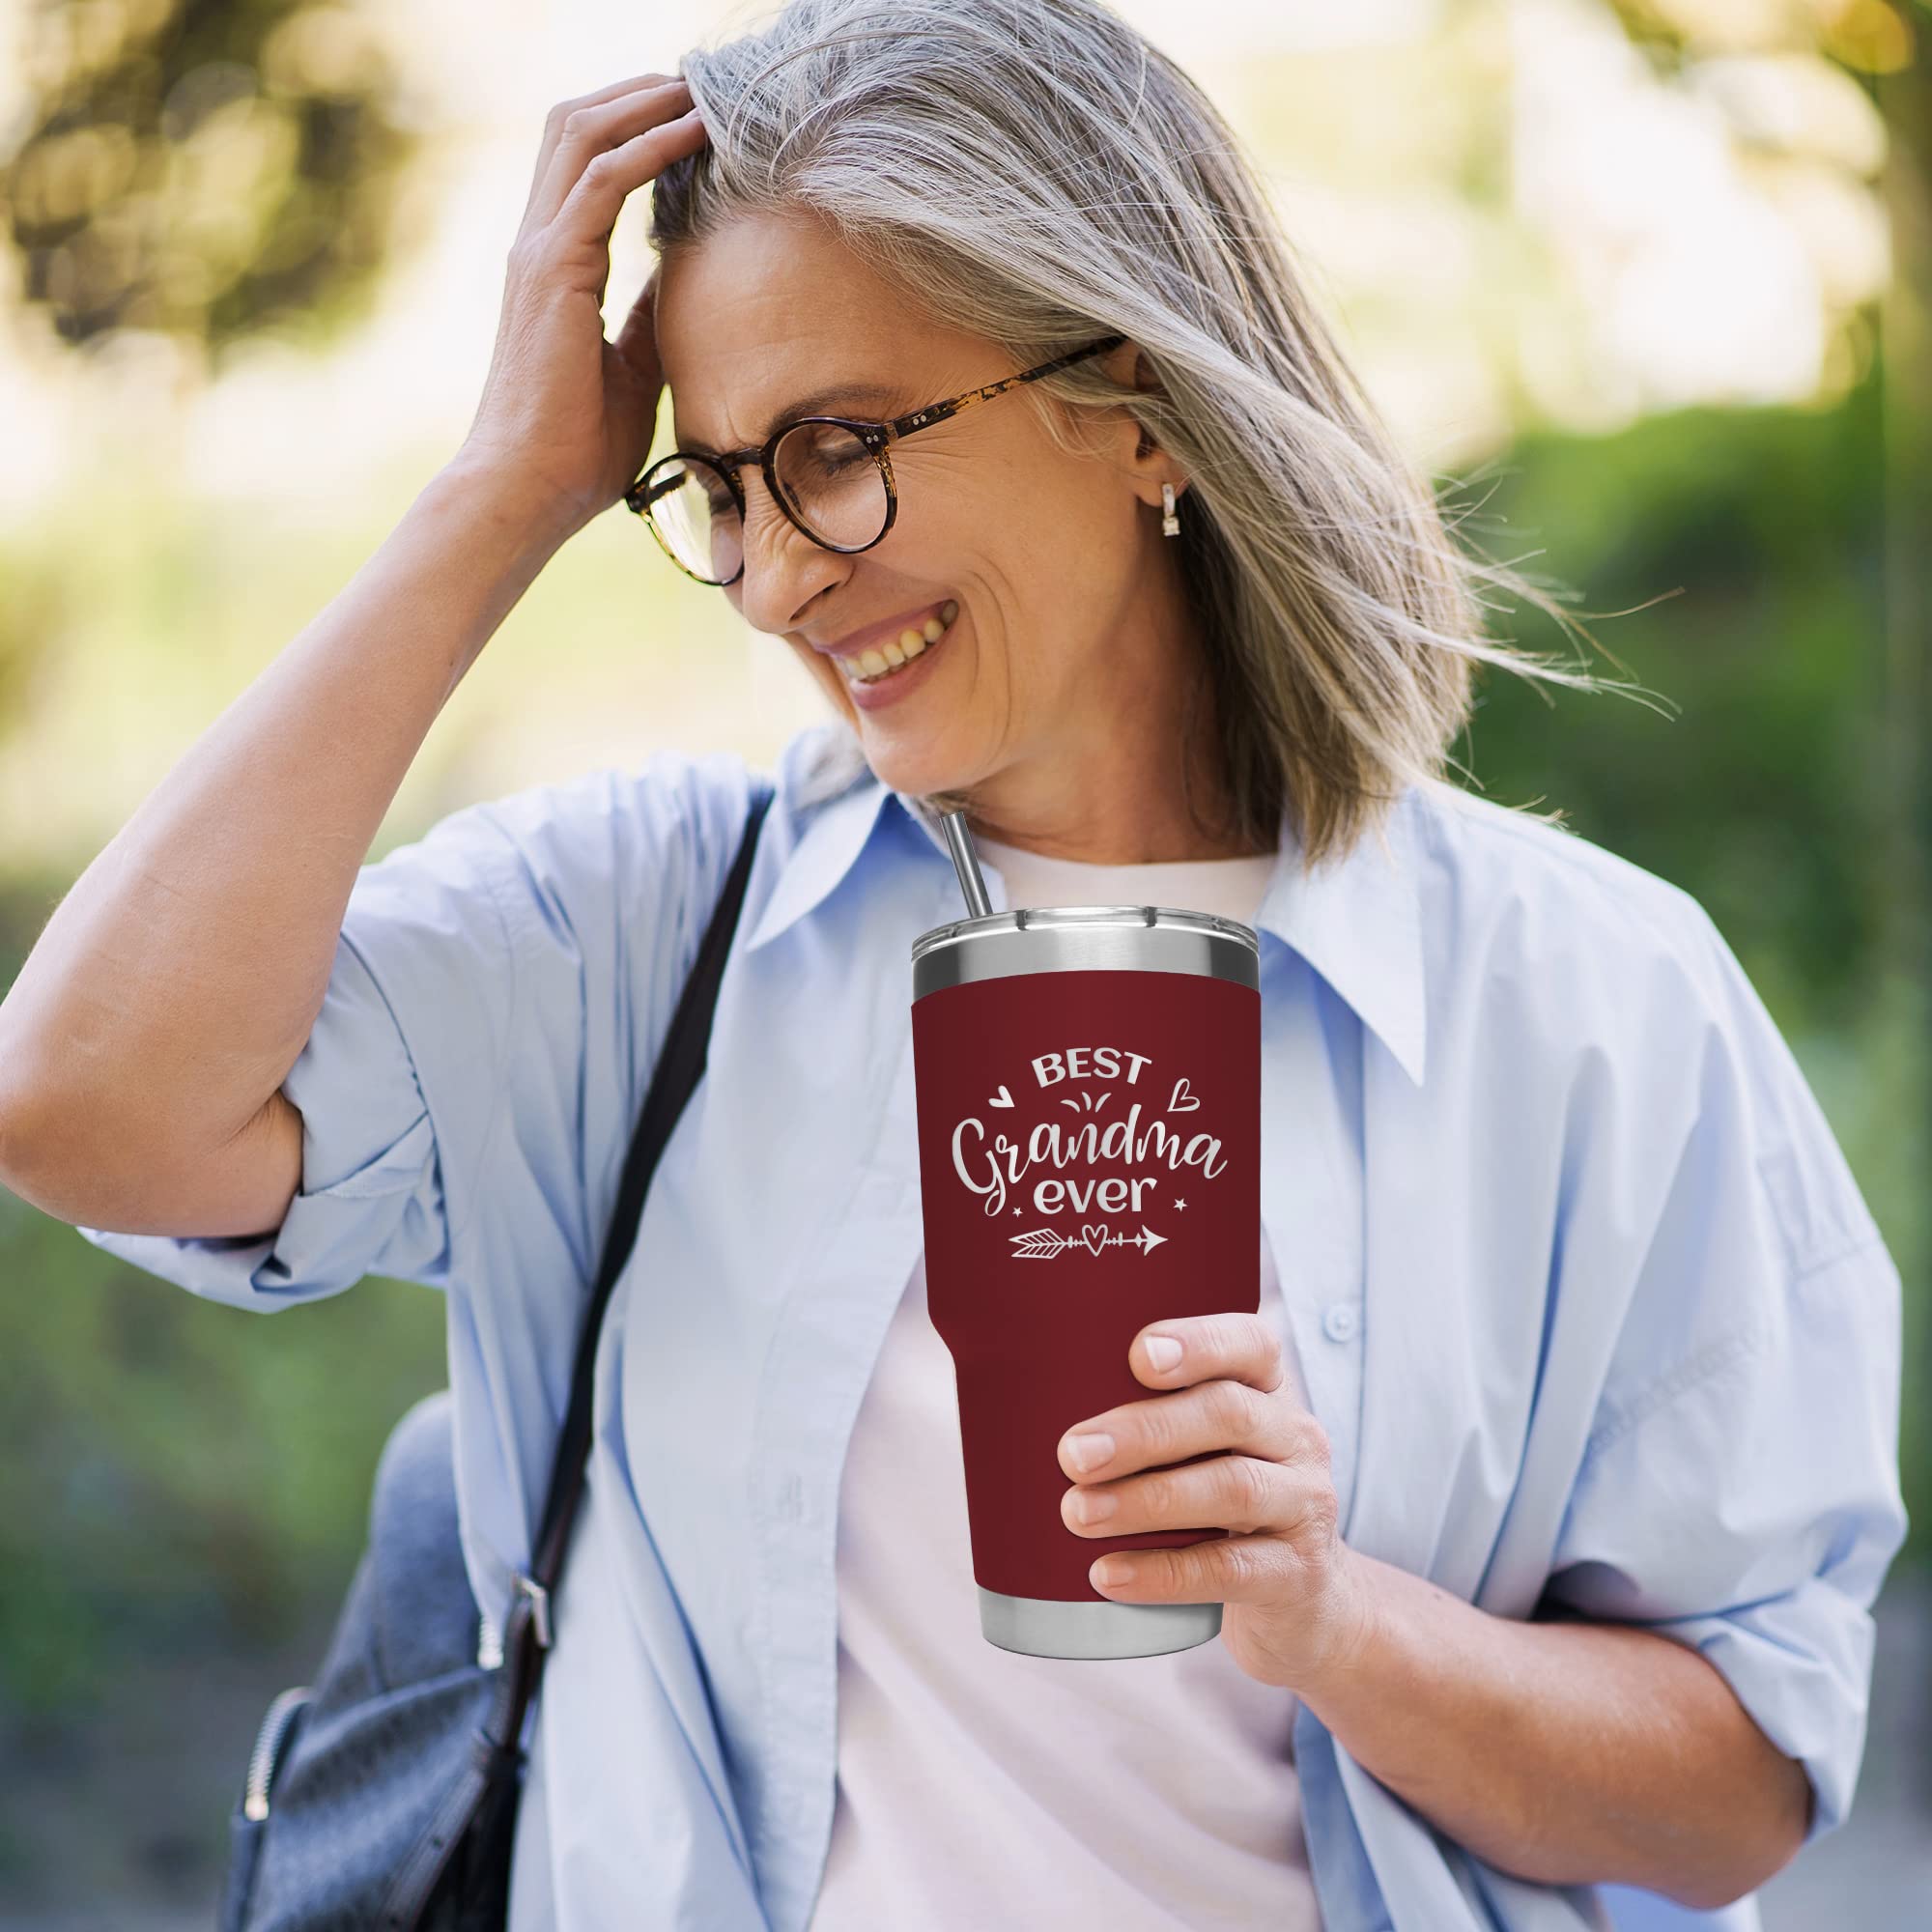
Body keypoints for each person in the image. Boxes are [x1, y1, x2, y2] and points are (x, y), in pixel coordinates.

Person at [0, 2, 1904, 1928]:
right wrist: (502, 492)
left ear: (1137, 395)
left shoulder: (1587, 1009)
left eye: (838, 449)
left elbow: (1743, 1784)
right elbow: (88, 1110)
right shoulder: (652, 931)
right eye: (718, 487)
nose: (775, 575)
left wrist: (1327, 1617)